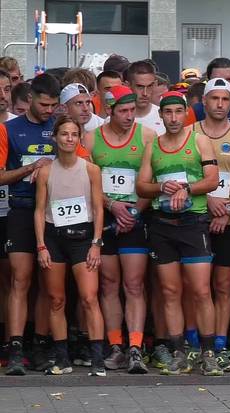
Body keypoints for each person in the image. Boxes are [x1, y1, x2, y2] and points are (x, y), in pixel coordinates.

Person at [135, 91, 222, 376]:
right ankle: (178, 353)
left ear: (186, 114)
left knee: (200, 290)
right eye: (167, 113)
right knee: (170, 291)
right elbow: (141, 187)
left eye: (177, 112)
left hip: (193, 222)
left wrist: (187, 189)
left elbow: (213, 180)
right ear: (161, 115)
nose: (173, 118)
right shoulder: (154, 146)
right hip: (162, 224)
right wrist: (162, 188)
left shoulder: (199, 141)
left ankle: (208, 353)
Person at [0, 74, 78, 375]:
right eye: (44, 104)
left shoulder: (60, 129)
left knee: (50, 284)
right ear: (30, 97)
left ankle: (41, 343)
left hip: (54, 214)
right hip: (21, 209)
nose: (49, 110)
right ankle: (16, 346)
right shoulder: (9, 129)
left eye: (54, 105)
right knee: (20, 280)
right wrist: (31, 167)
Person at [82, 84, 157, 374]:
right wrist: (112, 205)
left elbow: (152, 180)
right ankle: (115, 346)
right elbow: (87, 182)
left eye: (132, 110)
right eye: (123, 111)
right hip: (106, 218)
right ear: (109, 111)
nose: (129, 116)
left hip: (136, 219)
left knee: (134, 284)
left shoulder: (148, 136)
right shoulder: (91, 140)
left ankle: (136, 347)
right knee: (109, 284)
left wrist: (135, 211)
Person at [33, 115, 106, 376]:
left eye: (74, 134)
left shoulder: (90, 169)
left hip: (83, 237)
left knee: (89, 297)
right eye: (64, 134)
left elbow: (98, 209)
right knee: (56, 299)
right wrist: (41, 246)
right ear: (55, 137)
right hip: (54, 236)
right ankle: (62, 358)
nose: (69, 139)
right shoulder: (45, 171)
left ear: (80, 138)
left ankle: (97, 359)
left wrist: (96, 243)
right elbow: (40, 210)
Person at [193, 78, 230, 372]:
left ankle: (219, 343)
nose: (219, 104)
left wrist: (227, 208)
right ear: (204, 101)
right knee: (196, 285)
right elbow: (183, 176)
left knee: (223, 285)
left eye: (224, 99)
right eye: (214, 99)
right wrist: (208, 203)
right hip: (195, 219)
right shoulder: (190, 132)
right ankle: (195, 344)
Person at [187, 58, 230, 127]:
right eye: (218, 80)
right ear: (208, 81)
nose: (223, 84)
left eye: (229, 79)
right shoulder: (194, 112)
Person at [125, 60, 165, 135]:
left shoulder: (165, 118)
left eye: (150, 86)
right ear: (127, 86)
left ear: (155, 85)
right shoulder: (114, 120)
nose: (145, 93)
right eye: (140, 86)